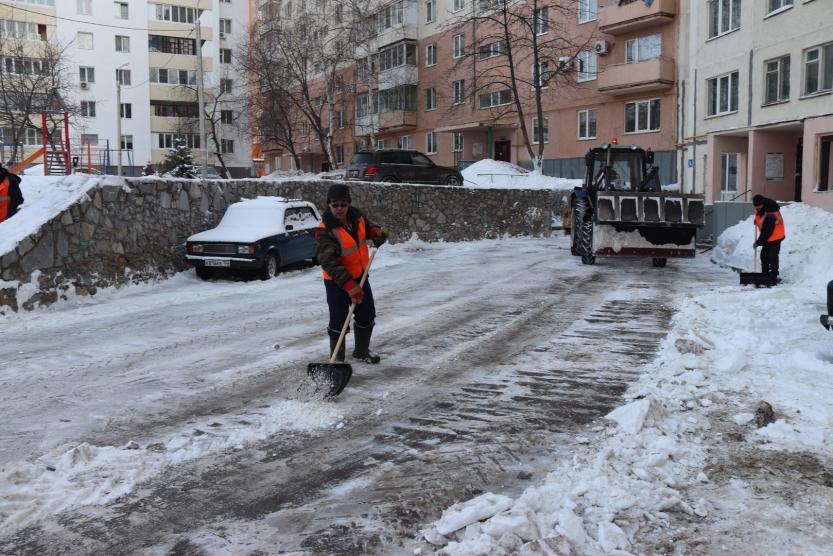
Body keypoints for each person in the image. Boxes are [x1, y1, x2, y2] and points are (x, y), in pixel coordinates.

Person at [316, 184, 388, 363]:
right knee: (339, 321)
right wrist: (349, 286)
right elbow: (330, 262)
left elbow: (369, 227)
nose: (339, 208)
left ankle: (362, 351)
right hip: (337, 283)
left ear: (348, 204)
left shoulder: (357, 217)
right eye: (335, 205)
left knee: (367, 315)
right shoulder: (324, 230)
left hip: (360, 276)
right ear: (328, 205)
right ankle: (337, 360)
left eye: (343, 204)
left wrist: (376, 233)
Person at [752, 194, 785, 282]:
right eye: (756, 206)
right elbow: (760, 216)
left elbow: (767, 231)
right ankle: (765, 275)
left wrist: (758, 242)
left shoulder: (770, 214)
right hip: (768, 236)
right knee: (764, 256)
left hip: (775, 236)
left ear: (763, 204)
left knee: (772, 256)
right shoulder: (761, 208)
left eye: (759, 206)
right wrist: (757, 220)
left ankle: (773, 277)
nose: (757, 208)